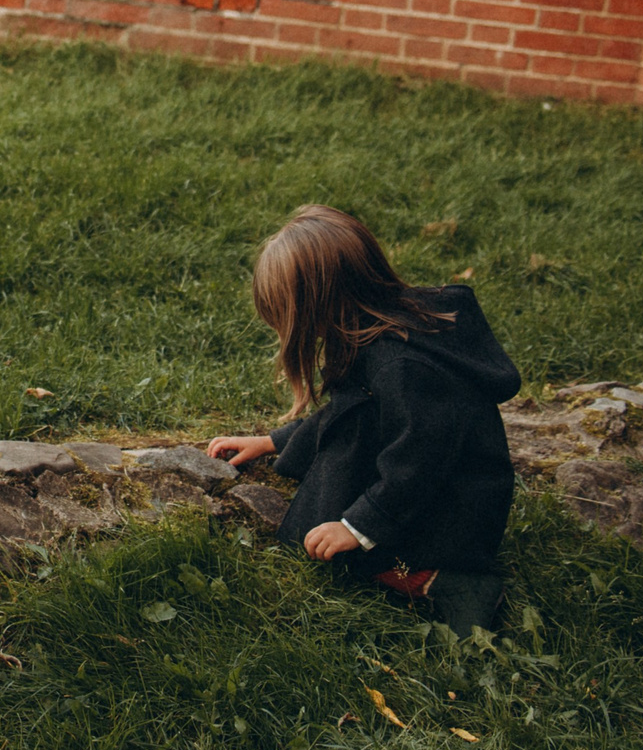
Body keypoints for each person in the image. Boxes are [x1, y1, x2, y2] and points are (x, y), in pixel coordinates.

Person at [207, 204, 518, 636]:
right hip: (434, 484)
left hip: (454, 508)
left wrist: (359, 526)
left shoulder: (402, 365)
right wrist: (273, 441)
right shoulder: (372, 328)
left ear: (320, 306)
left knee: (332, 548)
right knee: (319, 516)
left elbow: (421, 460)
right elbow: (353, 410)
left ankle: (450, 582)